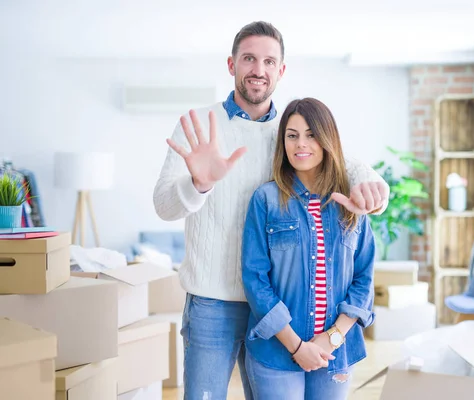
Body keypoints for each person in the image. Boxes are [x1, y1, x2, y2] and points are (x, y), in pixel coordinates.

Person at [153, 21, 388, 400]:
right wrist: (200, 183)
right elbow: (164, 206)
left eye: (268, 61)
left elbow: (350, 166)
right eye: (248, 58)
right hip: (214, 304)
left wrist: (378, 193)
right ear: (231, 65)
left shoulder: (292, 130)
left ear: (281, 71)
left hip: (284, 307)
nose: (258, 69)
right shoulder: (199, 126)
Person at [241, 97, 376, 399]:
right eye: (292, 135)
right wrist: (298, 347)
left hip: (335, 353)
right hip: (276, 353)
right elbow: (255, 280)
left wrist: (333, 337)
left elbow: (364, 276)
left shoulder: (351, 202)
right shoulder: (266, 199)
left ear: (327, 139)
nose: (301, 144)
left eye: (311, 134)